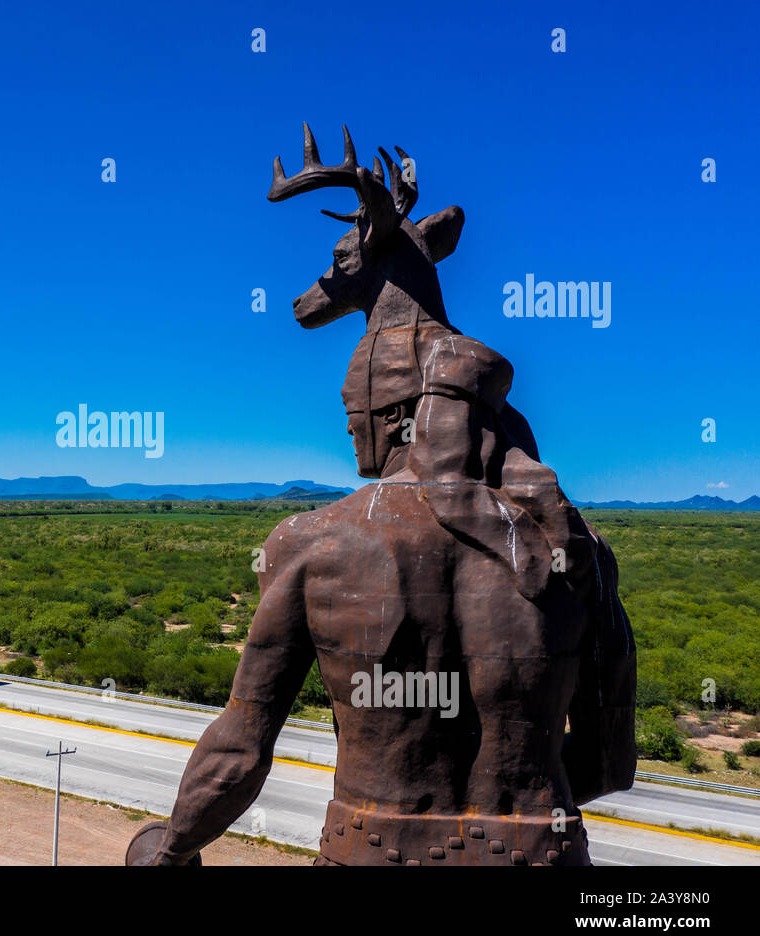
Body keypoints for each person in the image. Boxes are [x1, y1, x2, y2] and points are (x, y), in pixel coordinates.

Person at [127, 322, 636, 866]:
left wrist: (171, 850)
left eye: (354, 419)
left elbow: (241, 751)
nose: (350, 433)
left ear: (395, 418)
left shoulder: (311, 542)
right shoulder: (576, 546)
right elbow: (607, 764)